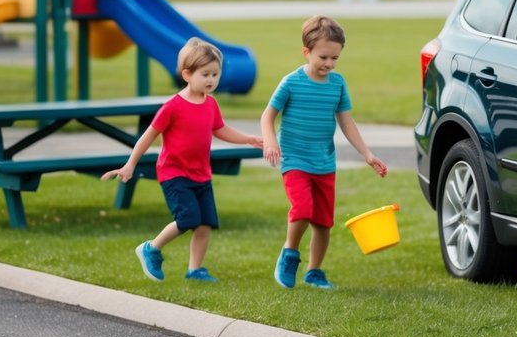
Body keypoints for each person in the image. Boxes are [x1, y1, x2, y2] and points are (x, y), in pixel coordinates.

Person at [102, 37, 262, 283]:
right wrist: (130, 164)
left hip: (201, 174)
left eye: (215, 74)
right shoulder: (173, 106)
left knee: (205, 223)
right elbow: (149, 135)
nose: (211, 80)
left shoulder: (211, 104)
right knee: (188, 219)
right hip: (175, 174)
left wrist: (249, 139)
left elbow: (220, 130)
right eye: (205, 74)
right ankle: (151, 248)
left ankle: (195, 269)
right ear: (187, 74)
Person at [262, 15, 387, 290]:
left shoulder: (337, 84)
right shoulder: (291, 82)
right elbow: (267, 116)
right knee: (303, 209)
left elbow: (346, 122)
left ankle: (314, 271)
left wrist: (367, 154)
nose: (329, 64)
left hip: (324, 162)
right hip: (294, 158)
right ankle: (289, 253)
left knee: (323, 222)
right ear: (306, 52)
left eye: (335, 58)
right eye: (323, 57)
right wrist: (270, 141)